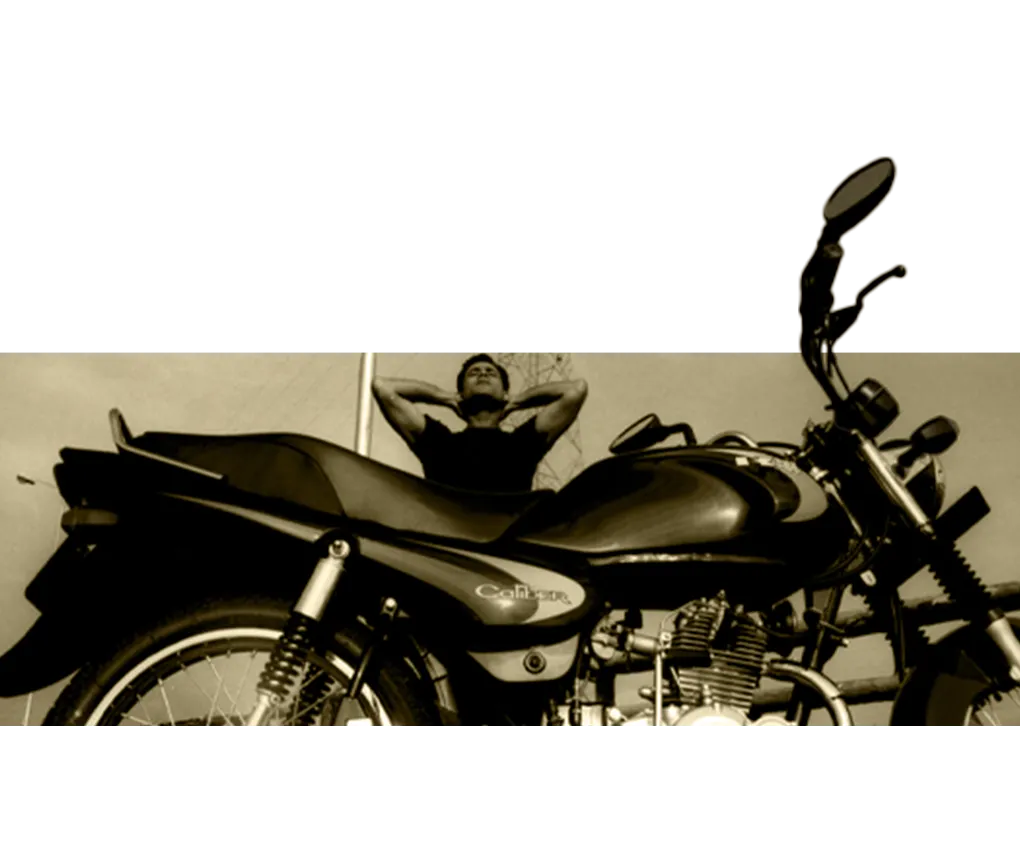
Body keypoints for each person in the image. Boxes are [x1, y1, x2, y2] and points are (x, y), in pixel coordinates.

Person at [372, 354, 588, 494]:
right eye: (473, 373)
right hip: (453, 543)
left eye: (490, 373)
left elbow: (575, 391)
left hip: (506, 544)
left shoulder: (521, 444)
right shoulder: (440, 443)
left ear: (505, 393)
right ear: (460, 394)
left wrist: (517, 400)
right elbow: (383, 388)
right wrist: (445, 397)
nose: (483, 374)